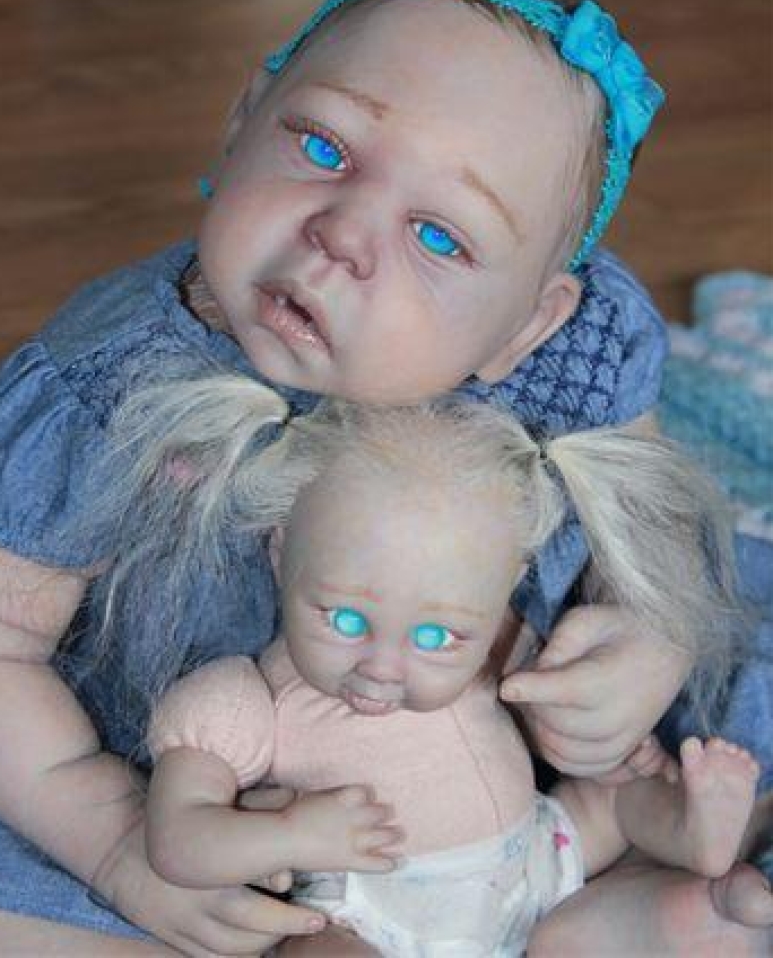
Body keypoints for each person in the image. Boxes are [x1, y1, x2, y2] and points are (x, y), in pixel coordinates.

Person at [0, 0, 770, 955]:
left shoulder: (570, 349)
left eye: (440, 236)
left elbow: (649, 509)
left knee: (725, 690)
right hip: (195, 789)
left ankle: (632, 886)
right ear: (244, 119)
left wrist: (645, 637)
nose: (344, 233)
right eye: (325, 149)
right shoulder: (106, 387)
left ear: (529, 321)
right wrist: (115, 845)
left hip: (510, 746)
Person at [136, 375, 755, 957]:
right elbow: (177, 842)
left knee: (613, 805)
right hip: (363, 917)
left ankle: (696, 864)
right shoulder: (242, 700)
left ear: (505, 587)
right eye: (345, 621)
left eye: (434, 636)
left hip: (536, 860)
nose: (383, 668)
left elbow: (566, 731)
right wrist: (292, 835)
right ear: (280, 551)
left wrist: (591, 739)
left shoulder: (499, 644)